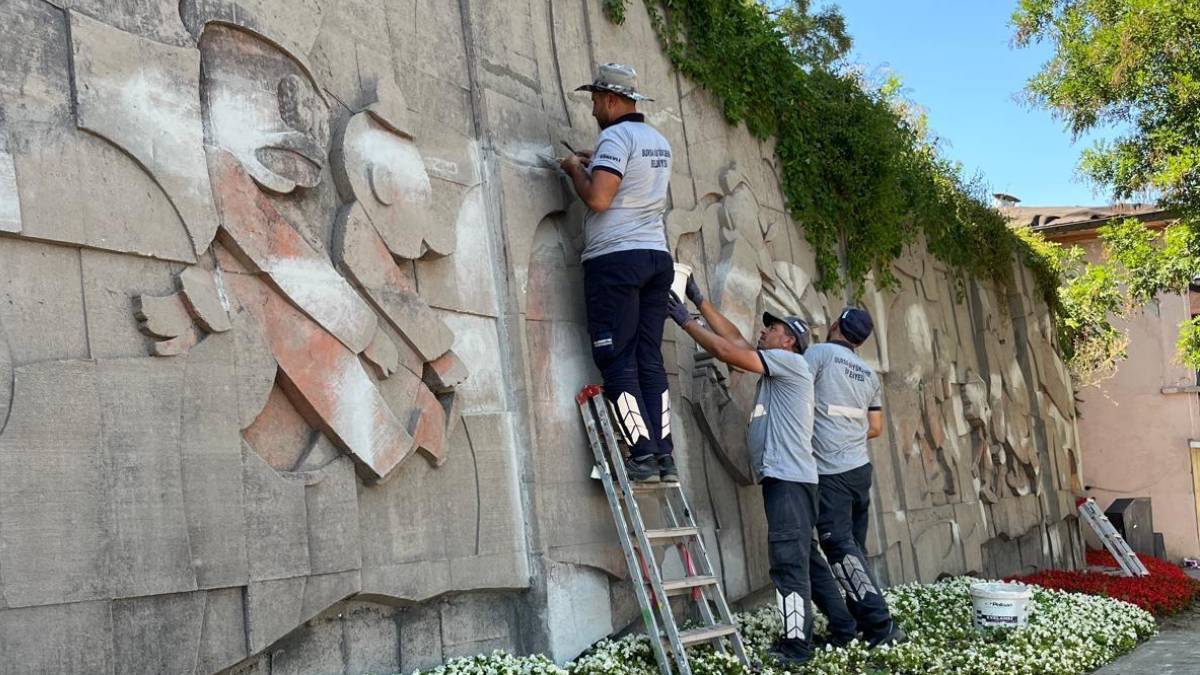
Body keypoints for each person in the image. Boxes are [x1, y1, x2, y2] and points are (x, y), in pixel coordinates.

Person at [665, 281, 823, 667]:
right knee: (808, 562)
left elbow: (723, 350)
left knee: (788, 563)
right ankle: (840, 628)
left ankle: (796, 646)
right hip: (791, 482)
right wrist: (699, 299)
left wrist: (684, 320)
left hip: (787, 483)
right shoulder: (780, 366)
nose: (763, 330)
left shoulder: (789, 364)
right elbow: (734, 343)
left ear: (789, 342)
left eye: (772, 328)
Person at [561, 63, 676, 483]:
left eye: (594, 101)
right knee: (649, 359)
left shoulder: (614, 136)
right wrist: (600, 162)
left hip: (616, 260)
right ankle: (664, 453)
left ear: (610, 99)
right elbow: (632, 183)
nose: (593, 109)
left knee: (615, 358)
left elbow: (599, 198)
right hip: (655, 257)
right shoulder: (657, 141)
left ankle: (641, 455)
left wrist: (575, 168)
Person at [805, 307, 905, 647]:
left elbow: (792, 385)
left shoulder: (818, 355)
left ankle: (881, 626)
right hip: (860, 470)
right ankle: (861, 621)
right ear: (860, 341)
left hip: (831, 472)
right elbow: (874, 427)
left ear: (834, 325)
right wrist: (847, 432)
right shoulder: (868, 374)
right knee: (855, 551)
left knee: (840, 549)